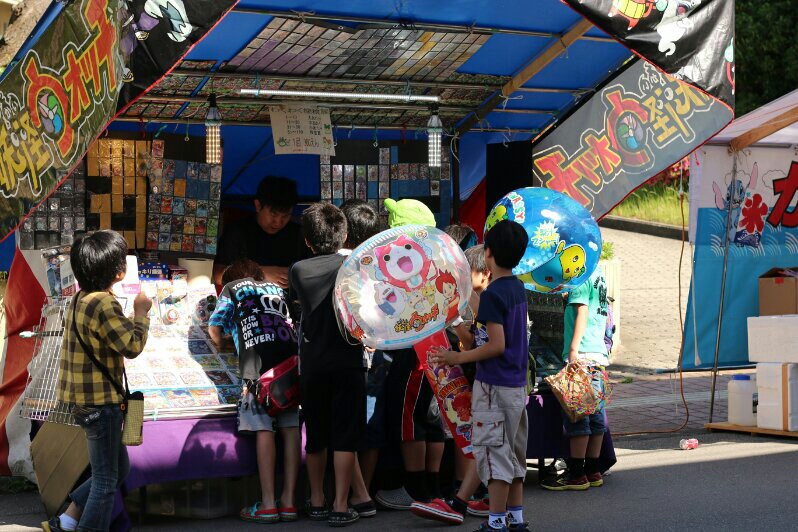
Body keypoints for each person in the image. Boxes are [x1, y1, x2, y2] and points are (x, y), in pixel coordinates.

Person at [44, 231, 151, 532]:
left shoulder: (80, 298)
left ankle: (68, 519)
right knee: (106, 479)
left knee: (118, 469)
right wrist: (141, 313)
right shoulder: (104, 304)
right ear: (119, 272)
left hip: (81, 401)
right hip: (101, 405)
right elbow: (132, 346)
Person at [430, 220, 530, 532]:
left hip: (494, 387)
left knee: (494, 456)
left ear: (488, 253)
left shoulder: (493, 295)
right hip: (515, 386)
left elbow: (495, 345)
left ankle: (496, 522)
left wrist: (456, 357)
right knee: (513, 457)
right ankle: (515, 519)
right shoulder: (516, 289)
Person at [289, 203, 374, 527]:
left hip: (313, 363)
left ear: (307, 241)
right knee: (344, 437)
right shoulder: (353, 266)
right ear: (345, 235)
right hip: (349, 360)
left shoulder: (299, 270)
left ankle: (317, 500)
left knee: (316, 436)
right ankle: (341, 504)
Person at [208, 260, 301, 523]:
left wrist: (226, 344)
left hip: (258, 371)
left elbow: (214, 329)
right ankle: (289, 502)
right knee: (291, 428)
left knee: (264, 429)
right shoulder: (277, 289)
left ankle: (268, 504)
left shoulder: (232, 288)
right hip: (290, 366)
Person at [375, 199, 448, 512]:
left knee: (411, 419)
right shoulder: (439, 258)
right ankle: (434, 486)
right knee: (432, 417)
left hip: (413, 352)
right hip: (440, 347)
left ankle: (415, 488)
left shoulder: (399, 261)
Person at [541, 266, 610, 492]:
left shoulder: (581, 276)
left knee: (578, 415)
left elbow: (582, 310)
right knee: (595, 415)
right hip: (597, 353)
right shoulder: (599, 273)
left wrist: (573, 350)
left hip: (581, 354)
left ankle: (577, 474)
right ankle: (593, 470)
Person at [339, 200, 386, 493]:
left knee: (345, 426)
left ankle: (351, 494)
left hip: (345, 354)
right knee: (371, 425)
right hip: (376, 351)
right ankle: (364, 491)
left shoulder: (338, 266)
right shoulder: (379, 266)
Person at [213, 176, 310, 288]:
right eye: (273, 214)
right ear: (258, 205)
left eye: (285, 215)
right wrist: (260, 273)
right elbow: (218, 275)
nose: (278, 222)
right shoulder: (238, 231)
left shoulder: (300, 234)